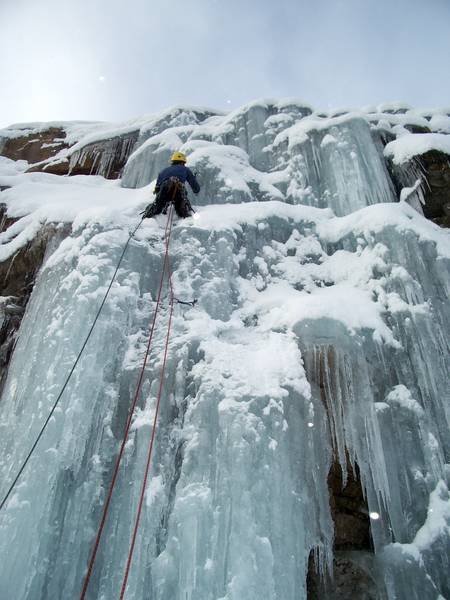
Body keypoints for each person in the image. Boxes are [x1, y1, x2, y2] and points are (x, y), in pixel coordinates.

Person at [142, 151, 200, 219]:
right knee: (181, 210)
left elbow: (157, 188)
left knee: (157, 207)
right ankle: (184, 217)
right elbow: (193, 183)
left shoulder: (163, 171)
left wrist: (159, 197)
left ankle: (149, 215)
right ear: (182, 162)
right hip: (178, 190)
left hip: (165, 189)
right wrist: (196, 190)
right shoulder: (185, 169)